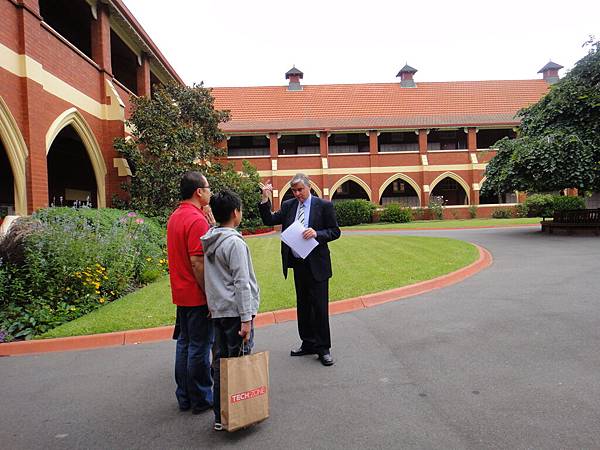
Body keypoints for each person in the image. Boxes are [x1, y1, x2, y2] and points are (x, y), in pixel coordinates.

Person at [259, 173, 341, 366]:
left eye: (300, 190)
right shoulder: (288, 206)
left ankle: (323, 348)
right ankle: (308, 343)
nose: (297, 193)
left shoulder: (324, 206)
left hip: (317, 265)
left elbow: (335, 231)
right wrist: (264, 199)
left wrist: (317, 233)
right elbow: (269, 220)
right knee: (303, 306)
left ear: (309, 187)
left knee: (319, 308)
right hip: (298, 264)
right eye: (294, 190)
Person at [201, 190, 260, 431]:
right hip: (236, 313)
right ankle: (239, 414)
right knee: (238, 362)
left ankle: (220, 415)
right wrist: (246, 319)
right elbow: (241, 282)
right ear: (236, 213)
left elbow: (213, 278)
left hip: (219, 311)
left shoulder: (210, 238)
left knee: (221, 362)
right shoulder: (234, 242)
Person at [167, 171, 214, 414]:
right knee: (199, 346)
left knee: (184, 344)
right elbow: (198, 262)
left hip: (181, 293)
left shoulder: (176, 216)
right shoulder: (196, 221)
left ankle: (184, 396)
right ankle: (201, 398)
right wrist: (209, 296)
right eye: (208, 188)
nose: (210, 191)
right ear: (198, 191)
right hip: (196, 295)